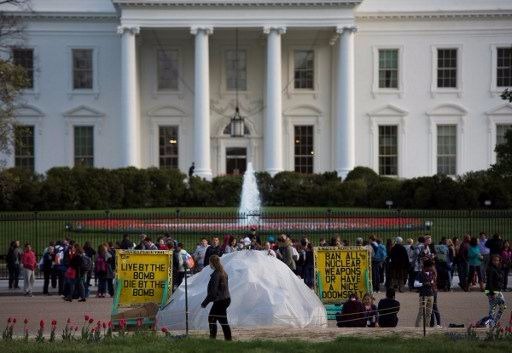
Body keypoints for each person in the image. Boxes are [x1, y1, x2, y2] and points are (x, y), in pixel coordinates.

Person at [201, 255, 232, 341]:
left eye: (209, 262)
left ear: (212, 263)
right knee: (221, 319)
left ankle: (213, 339)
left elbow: (213, 292)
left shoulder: (216, 274)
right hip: (225, 299)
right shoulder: (222, 272)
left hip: (220, 300)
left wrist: (205, 303)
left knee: (212, 318)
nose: (209, 264)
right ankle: (228, 339)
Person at [485, 254, 506, 327]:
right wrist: (492, 293)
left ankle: (494, 322)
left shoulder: (499, 268)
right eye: (494, 260)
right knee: (493, 308)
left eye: (497, 260)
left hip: (498, 290)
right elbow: (489, 282)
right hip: (492, 291)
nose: (496, 262)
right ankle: (491, 323)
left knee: (502, 307)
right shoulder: (491, 269)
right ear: (491, 261)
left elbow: (501, 279)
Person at [414, 259, 436, 327]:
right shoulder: (420, 274)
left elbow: (432, 282)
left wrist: (432, 284)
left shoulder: (431, 274)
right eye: (431, 266)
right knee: (421, 312)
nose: (432, 268)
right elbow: (415, 284)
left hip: (431, 295)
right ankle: (417, 327)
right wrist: (424, 284)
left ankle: (427, 327)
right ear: (427, 267)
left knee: (429, 313)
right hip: (423, 295)